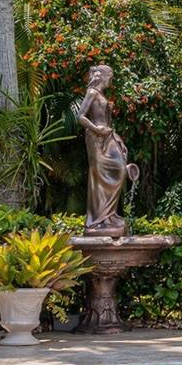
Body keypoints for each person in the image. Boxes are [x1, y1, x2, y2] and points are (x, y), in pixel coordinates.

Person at [70, 65, 138, 236]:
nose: (111, 80)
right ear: (103, 77)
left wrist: (118, 139)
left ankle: (110, 215)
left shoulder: (101, 95)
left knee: (121, 169)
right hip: (95, 138)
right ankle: (98, 220)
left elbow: (106, 122)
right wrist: (96, 129)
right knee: (99, 176)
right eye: (110, 76)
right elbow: (80, 116)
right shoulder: (92, 93)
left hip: (108, 136)